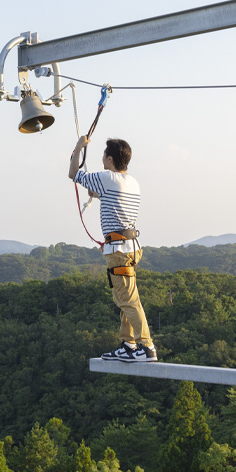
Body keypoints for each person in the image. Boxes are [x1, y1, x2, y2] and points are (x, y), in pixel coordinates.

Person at [68, 135, 157, 363]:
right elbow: (113, 199)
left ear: (109, 159)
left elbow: (73, 173)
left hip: (119, 250)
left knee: (128, 300)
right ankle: (129, 344)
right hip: (130, 247)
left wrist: (78, 148)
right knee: (125, 297)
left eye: (103, 157)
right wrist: (97, 194)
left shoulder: (107, 177)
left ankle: (146, 347)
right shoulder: (132, 182)